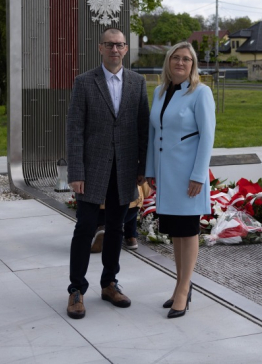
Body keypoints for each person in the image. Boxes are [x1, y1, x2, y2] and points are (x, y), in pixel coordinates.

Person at [65, 27, 149, 320]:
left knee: (117, 229)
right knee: (85, 229)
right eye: (109, 45)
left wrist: (142, 168)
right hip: (92, 170)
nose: (115, 50)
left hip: (124, 170)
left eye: (120, 45)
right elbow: (74, 129)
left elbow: (142, 129)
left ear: (126, 49)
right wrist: (76, 171)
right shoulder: (85, 82)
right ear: (100, 48)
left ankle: (109, 283)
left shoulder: (138, 83)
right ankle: (76, 289)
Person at [145, 41, 215, 319]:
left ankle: (184, 290)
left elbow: (207, 137)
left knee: (188, 231)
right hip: (166, 175)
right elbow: (154, 133)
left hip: (189, 176)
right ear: (168, 62)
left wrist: (199, 174)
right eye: (176, 58)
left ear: (193, 65)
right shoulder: (160, 92)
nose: (181, 63)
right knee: (176, 233)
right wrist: (151, 170)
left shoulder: (201, 93)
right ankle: (179, 285)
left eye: (187, 59)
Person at [90, 181, 151, 253]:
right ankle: (131, 237)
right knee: (133, 199)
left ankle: (101, 227)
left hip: (101, 210)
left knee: (94, 210)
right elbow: (146, 191)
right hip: (129, 211)